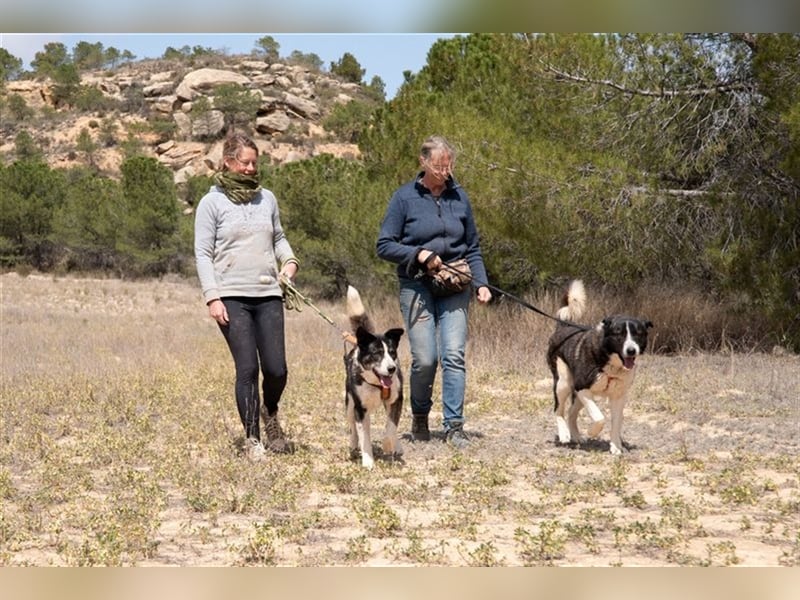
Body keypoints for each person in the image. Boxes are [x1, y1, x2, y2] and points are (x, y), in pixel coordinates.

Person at [376, 135, 492, 449]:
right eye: (440, 165)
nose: (446, 171)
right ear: (424, 163)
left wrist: (481, 283)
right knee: (425, 358)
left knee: (453, 355)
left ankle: (455, 426)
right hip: (417, 284)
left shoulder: (460, 197)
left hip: (455, 284)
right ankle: (420, 417)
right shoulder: (403, 198)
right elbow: (384, 245)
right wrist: (419, 255)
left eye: (450, 165)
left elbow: (473, 247)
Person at [194, 133, 299, 461]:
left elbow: (278, 237)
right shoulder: (211, 203)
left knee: (277, 369)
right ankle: (253, 438)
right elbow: (202, 253)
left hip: (268, 292)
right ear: (228, 162)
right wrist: (212, 297)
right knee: (247, 369)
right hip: (231, 297)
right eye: (245, 162)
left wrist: (290, 261)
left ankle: (270, 412)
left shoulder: (266, 198)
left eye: (255, 162)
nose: (252, 168)